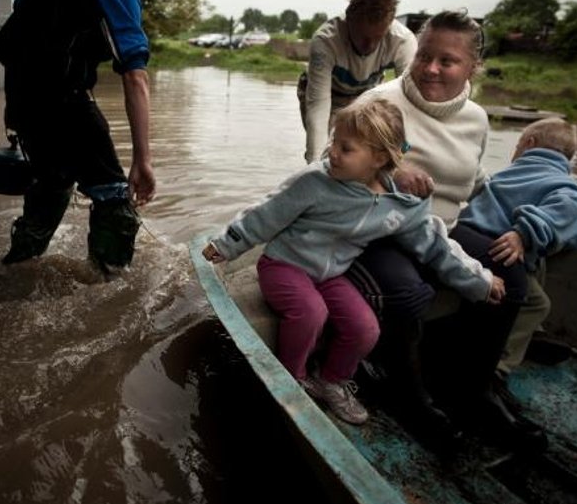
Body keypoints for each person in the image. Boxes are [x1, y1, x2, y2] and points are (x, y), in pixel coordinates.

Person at [202, 100, 505, 426]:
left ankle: (331, 380)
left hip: (331, 275)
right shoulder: (315, 181)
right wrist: (224, 245)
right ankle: (293, 380)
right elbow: (265, 214)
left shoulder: (400, 204)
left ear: (378, 158)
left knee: (364, 328)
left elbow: (436, 246)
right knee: (311, 312)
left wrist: (480, 280)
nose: (332, 152)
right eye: (334, 141)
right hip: (285, 266)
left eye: (345, 148)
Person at [347, 10, 547, 453]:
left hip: (443, 228)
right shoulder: (378, 102)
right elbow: (332, 164)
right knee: (407, 289)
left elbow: (475, 182)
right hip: (378, 228)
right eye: (425, 56)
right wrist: (388, 170)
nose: (431, 69)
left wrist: (529, 223)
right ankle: (410, 396)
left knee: (510, 275)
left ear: (473, 68)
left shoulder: (476, 118)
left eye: (448, 61)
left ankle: (473, 389)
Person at [0, 0, 173, 272]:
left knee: (53, 182)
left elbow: (18, 28)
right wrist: (143, 161)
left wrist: (14, 115)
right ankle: (112, 293)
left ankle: (16, 267)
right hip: (64, 100)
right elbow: (135, 77)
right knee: (115, 194)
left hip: (22, 103)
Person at [456, 117, 577, 379]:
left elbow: (562, 212)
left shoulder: (510, 173)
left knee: (536, 264)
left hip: (466, 237)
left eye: (516, 146)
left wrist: (528, 232)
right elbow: (567, 209)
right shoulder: (564, 184)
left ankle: (531, 335)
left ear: (529, 143)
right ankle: (498, 364)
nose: (514, 152)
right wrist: (524, 233)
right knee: (537, 304)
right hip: (496, 249)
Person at [298, 0, 418, 164]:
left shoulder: (403, 41)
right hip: (327, 93)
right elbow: (318, 107)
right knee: (334, 152)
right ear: (349, 18)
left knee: (369, 152)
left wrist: (405, 157)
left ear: (390, 23)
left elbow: (409, 102)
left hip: (367, 93)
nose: (369, 46)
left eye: (378, 37)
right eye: (363, 36)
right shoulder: (325, 41)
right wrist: (314, 165)